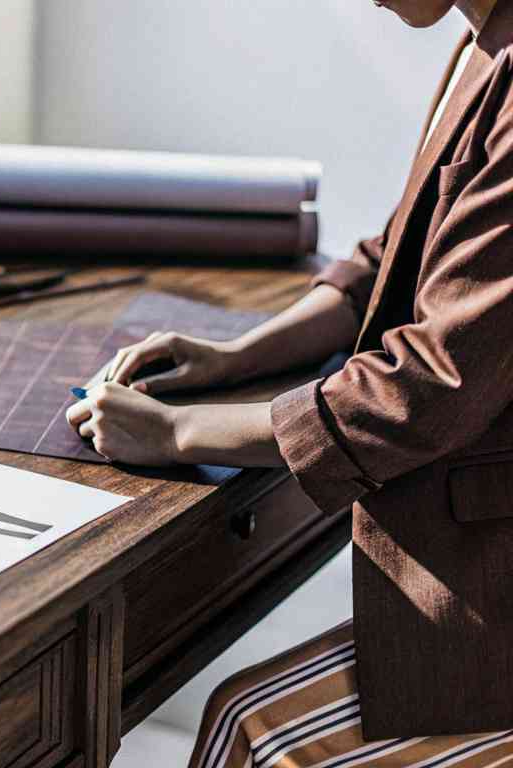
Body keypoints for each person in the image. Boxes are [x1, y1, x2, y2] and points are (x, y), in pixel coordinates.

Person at [66, 0, 513, 763]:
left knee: (255, 732)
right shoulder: (486, 43)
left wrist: (178, 432)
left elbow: (430, 386)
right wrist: (236, 355)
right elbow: (395, 255)